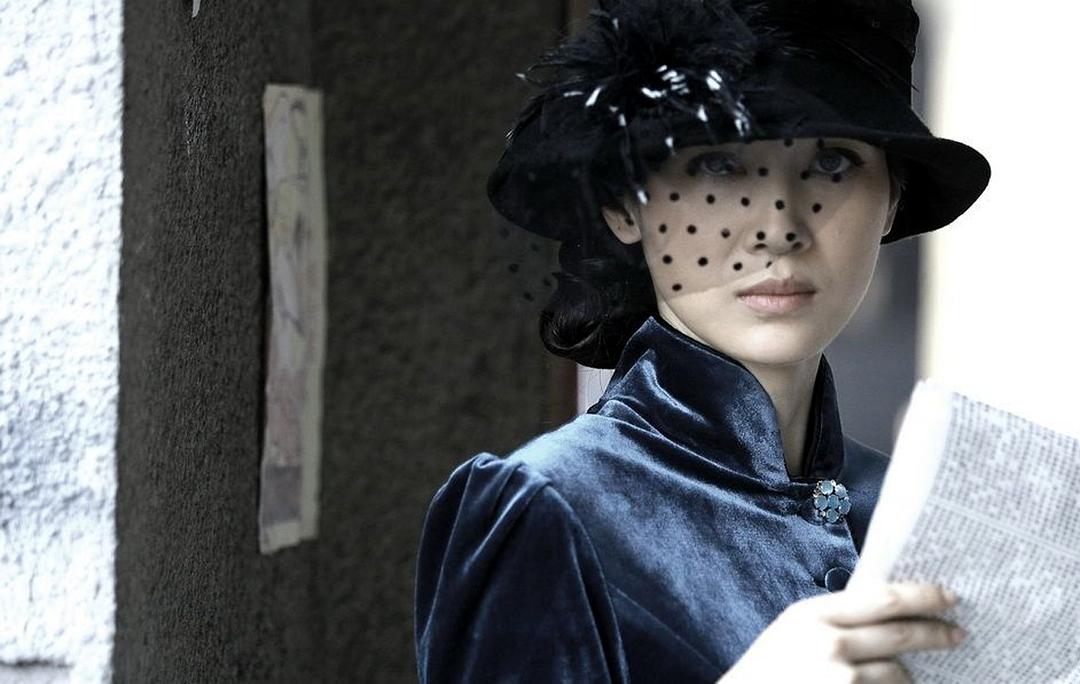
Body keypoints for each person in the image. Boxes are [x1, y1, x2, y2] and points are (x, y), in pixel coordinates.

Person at [414, 0, 991, 681]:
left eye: (833, 162)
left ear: (892, 198)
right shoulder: (548, 506)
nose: (779, 226)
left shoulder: (926, 516)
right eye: (718, 165)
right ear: (624, 203)